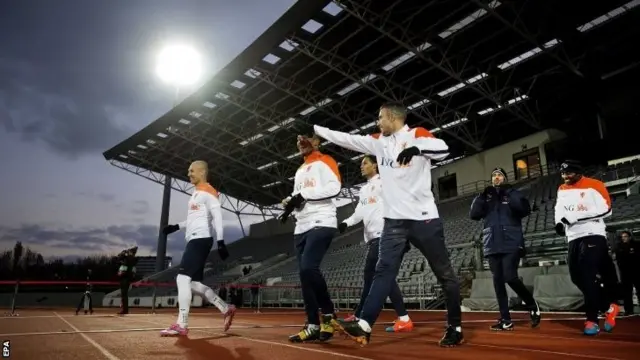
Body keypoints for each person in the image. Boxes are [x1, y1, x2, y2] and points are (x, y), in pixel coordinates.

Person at [314, 102, 463, 347]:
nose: (377, 122)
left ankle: (455, 326)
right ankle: (364, 325)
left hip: (424, 218)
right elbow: (347, 139)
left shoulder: (417, 134)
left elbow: (443, 148)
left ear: (393, 118)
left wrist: (416, 149)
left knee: (444, 274)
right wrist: (317, 129)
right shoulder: (378, 143)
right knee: (383, 272)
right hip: (393, 223)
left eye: (380, 118)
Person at [160, 160, 236, 336]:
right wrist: (176, 227)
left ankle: (182, 323)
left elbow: (217, 216)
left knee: (181, 278)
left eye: (192, 171)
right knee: (192, 284)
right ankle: (225, 308)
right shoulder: (196, 194)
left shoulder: (209, 192)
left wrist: (221, 241)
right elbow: (193, 219)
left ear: (202, 172)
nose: (188, 174)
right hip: (194, 239)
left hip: (200, 240)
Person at [279, 134, 341, 343]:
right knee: (305, 278)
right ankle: (313, 324)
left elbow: (335, 188)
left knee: (308, 268)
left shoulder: (325, 161)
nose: (300, 145)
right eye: (298, 143)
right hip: (301, 226)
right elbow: (298, 196)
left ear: (317, 143)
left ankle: (329, 315)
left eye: (306, 141)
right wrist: (289, 207)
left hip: (322, 221)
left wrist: (304, 195)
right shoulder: (299, 170)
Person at [340, 155, 413, 333]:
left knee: (378, 277)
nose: (361, 166)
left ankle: (402, 318)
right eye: (361, 164)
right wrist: (345, 223)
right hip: (372, 238)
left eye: (365, 163)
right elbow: (358, 213)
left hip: (384, 236)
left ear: (375, 165)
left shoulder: (385, 182)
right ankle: (364, 315)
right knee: (374, 278)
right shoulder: (364, 190)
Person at [554, 160, 620, 335]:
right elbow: (559, 210)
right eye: (562, 174)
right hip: (573, 237)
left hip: (592, 233)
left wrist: (574, 218)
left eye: (568, 173)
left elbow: (607, 209)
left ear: (578, 172)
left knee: (587, 275)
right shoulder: (562, 189)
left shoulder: (595, 185)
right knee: (577, 277)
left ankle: (591, 320)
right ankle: (607, 307)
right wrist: (560, 223)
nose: (565, 177)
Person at [469, 167, 541, 330]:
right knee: (498, 282)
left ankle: (531, 303)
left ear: (505, 178)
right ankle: (505, 319)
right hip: (492, 243)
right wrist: (481, 196)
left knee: (510, 277)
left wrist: (508, 192)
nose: (496, 177)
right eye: (493, 175)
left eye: (499, 175)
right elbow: (473, 214)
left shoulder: (513, 193)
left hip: (511, 241)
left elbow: (523, 209)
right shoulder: (486, 198)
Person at [615, 231, 639, 316]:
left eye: (625, 236)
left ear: (629, 237)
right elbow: (618, 260)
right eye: (622, 237)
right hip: (625, 273)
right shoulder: (619, 247)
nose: (624, 238)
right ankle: (628, 310)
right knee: (626, 293)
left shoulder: (636, 245)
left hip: (636, 272)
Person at [117, 247, 137, 315]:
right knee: (124, 295)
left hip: (125, 278)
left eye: (129, 252)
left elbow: (119, 258)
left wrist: (123, 253)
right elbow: (119, 259)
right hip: (126, 278)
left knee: (124, 295)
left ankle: (125, 310)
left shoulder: (129, 258)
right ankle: (125, 309)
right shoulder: (131, 259)